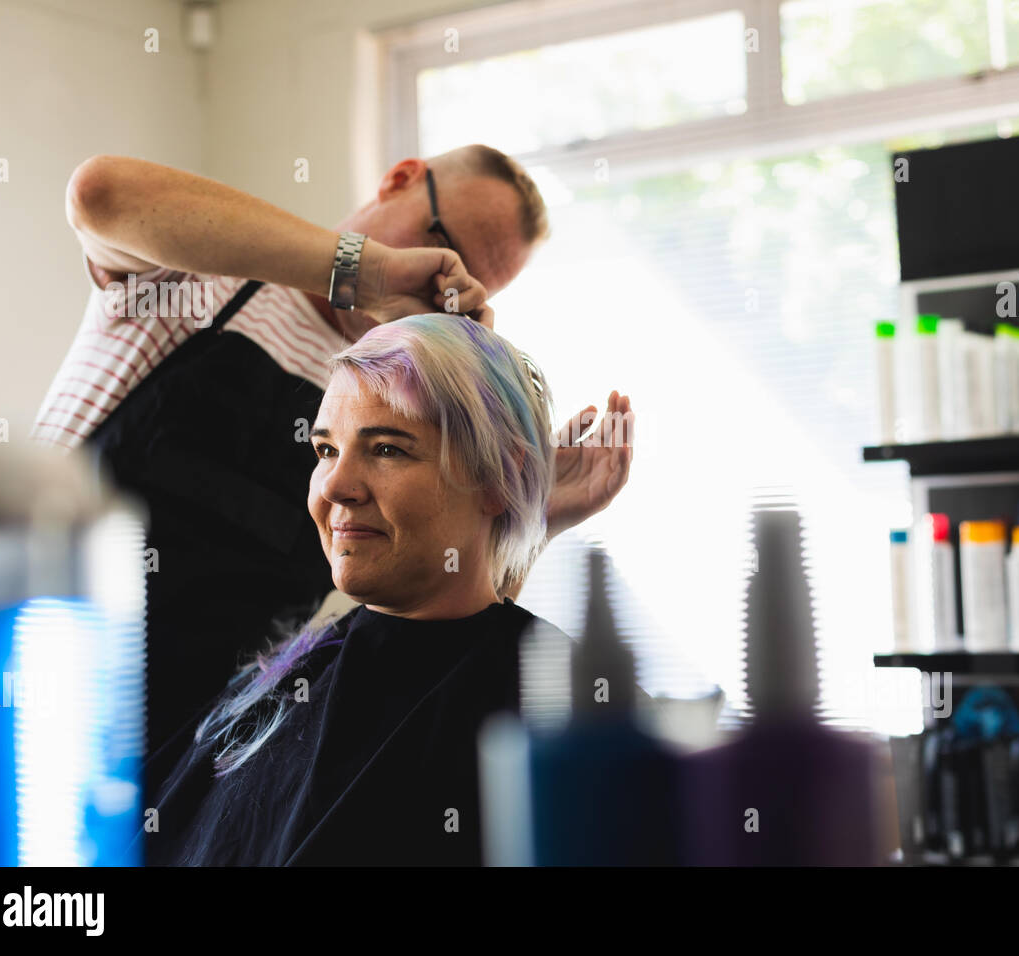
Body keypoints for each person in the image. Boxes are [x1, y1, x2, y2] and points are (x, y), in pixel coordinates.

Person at [31, 145, 632, 760]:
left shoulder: (399, 408)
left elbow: (440, 625)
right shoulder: (204, 277)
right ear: (399, 179)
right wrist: (363, 272)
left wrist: (530, 519)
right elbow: (99, 194)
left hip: (189, 761)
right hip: (24, 663)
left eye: (471, 284)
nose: (447, 288)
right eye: (443, 245)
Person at [143, 312, 633, 866]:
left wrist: (524, 514)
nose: (336, 487)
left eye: (387, 450)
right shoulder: (296, 674)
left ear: (497, 476)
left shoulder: (547, 696)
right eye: (326, 450)